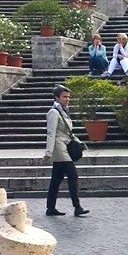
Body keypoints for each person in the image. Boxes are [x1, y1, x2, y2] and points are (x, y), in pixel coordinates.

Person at [44, 85, 88, 217]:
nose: (67, 99)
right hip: (59, 149)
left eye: (68, 97)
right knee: (73, 176)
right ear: (57, 97)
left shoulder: (64, 111)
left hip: (65, 146)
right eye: (64, 96)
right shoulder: (54, 112)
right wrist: (48, 152)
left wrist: (80, 143)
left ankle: (50, 207)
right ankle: (77, 207)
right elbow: (51, 133)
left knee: (56, 179)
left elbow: (68, 132)